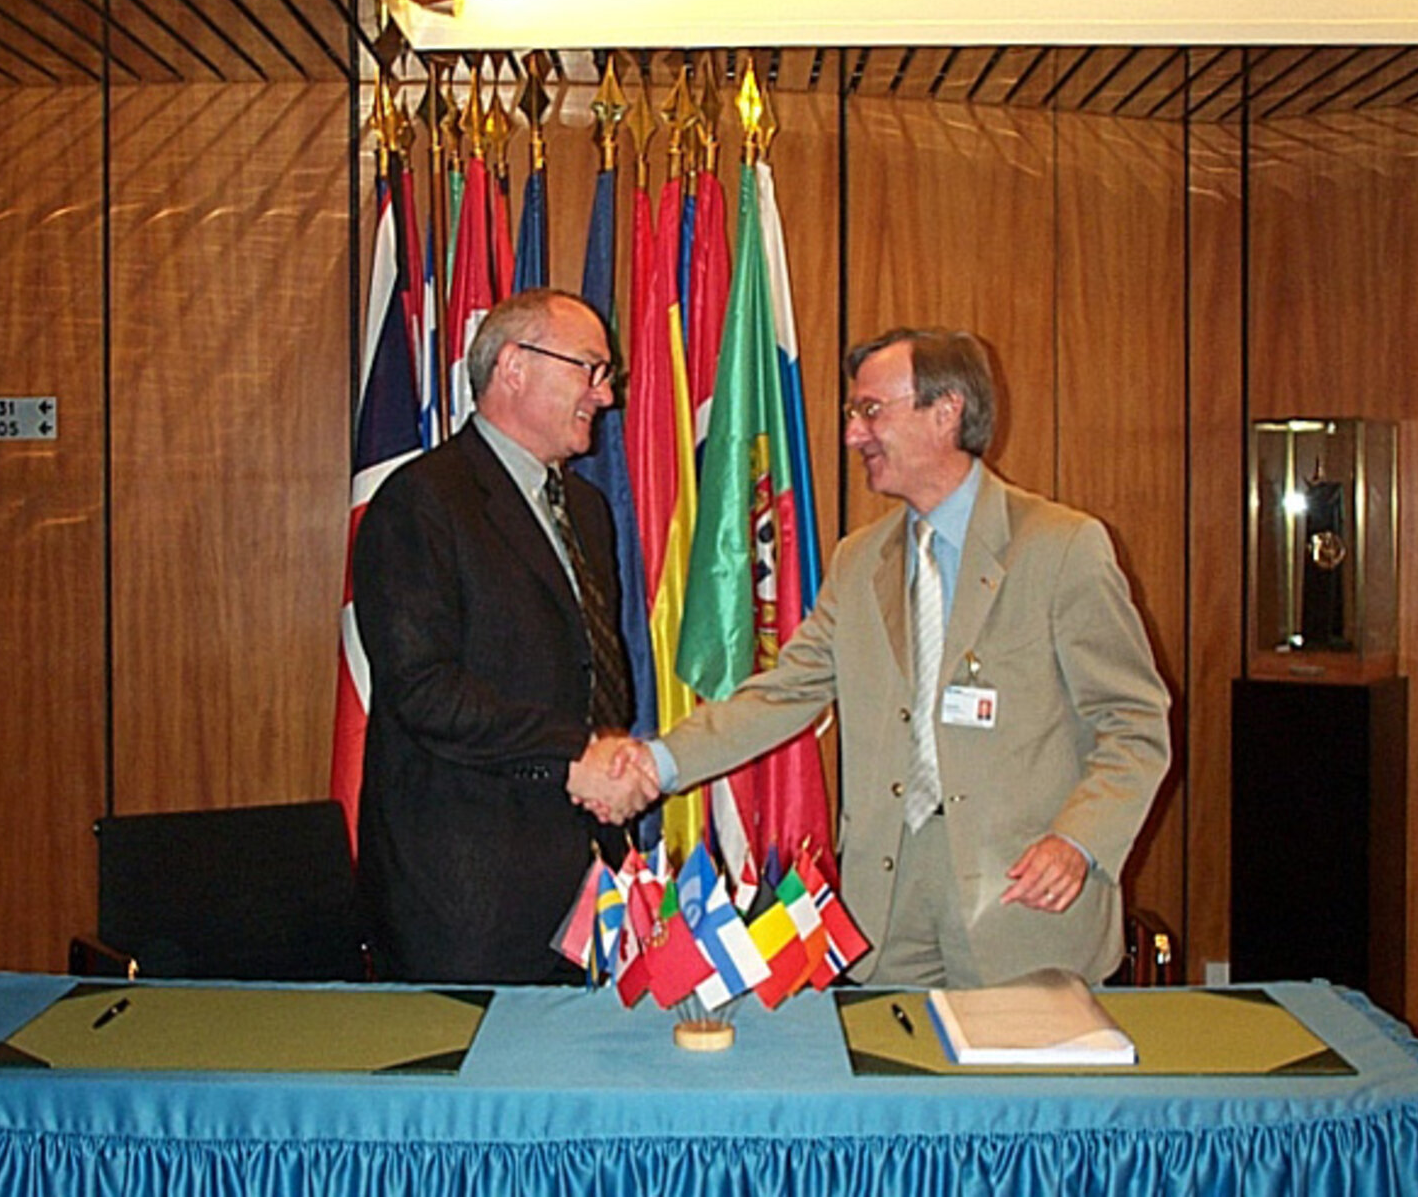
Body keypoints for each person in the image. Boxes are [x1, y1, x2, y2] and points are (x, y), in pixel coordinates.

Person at [619, 328, 1171, 987]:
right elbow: (781, 695)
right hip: (885, 913)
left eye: (871, 410)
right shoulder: (859, 561)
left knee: (1017, 1093)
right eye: (855, 413)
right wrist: (655, 764)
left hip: (1022, 906)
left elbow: (1136, 727)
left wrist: (1078, 842)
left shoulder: (1062, 547)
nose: (853, 434)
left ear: (947, 412)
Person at [354, 289, 658, 984]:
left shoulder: (586, 508)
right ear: (515, 366)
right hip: (470, 896)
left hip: (590, 881)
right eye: (590, 369)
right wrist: (573, 752)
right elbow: (424, 691)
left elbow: (593, 674)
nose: (604, 396)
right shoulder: (422, 502)